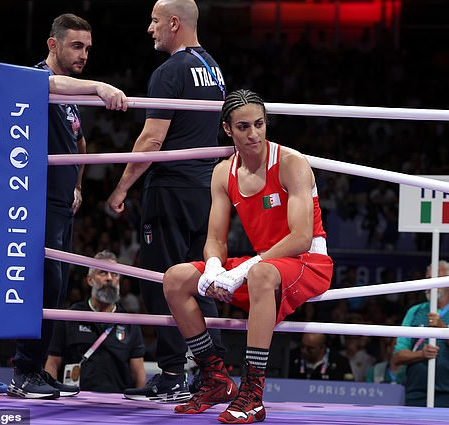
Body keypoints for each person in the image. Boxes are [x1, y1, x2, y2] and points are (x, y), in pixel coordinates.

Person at [162, 89, 333, 423]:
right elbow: (214, 239)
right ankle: (215, 378)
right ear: (228, 129)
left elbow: (300, 238)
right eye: (243, 127)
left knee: (260, 273)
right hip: (265, 264)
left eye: (259, 124)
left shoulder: (291, 163)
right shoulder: (222, 172)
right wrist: (213, 265)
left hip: (307, 261)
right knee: (175, 279)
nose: (253, 134)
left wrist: (246, 269)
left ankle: (253, 393)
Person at [107, 0, 226, 402]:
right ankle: (215, 372)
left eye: (155, 20)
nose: (150, 28)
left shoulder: (170, 70)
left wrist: (121, 188)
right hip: (206, 190)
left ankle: (173, 373)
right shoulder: (213, 68)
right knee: (202, 280)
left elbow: (152, 139)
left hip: (171, 190)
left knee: (165, 282)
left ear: (174, 23)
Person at [7, 13, 128, 400]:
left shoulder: (69, 101)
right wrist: (99, 86)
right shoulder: (37, 79)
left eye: (88, 48)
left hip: (61, 203)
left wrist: (77, 185)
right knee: (39, 285)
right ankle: (23, 371)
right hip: (34, 200)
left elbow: (79, 142)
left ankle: (36, 372)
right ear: (52, 45)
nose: (84, 54)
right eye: (77, 46)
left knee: (54, 289)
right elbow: (54, 82)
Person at [44, 251, 146, 393]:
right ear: (90, 280)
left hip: (117, 404)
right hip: (75, 402)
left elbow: (138, 373)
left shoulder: (129, 322)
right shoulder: (69, 316)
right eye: (103, 273)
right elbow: (53, 363)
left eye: (115, 274)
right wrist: (51, 399)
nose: (110, 278)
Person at [391, 260, 449, 407]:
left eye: (436, 279)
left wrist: (442, 328)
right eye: (428, 279)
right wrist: (421, 355)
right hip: (416, 393)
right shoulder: (414, 311)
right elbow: (398, 356)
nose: (431, 285)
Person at [288, 333, 352, 381]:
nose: (304, 351)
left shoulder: (340, 363)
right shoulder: (291, 357)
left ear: (322, 348)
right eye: (302, 346)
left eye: (310, 348)